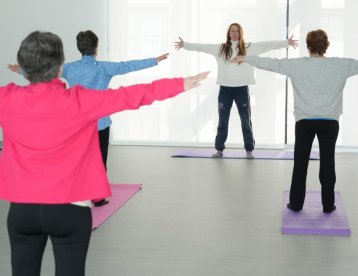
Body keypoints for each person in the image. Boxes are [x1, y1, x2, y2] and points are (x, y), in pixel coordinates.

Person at [0, 31, 208, 276]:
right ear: (59, 68)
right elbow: (130, 96)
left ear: (25, 66)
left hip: (23, 211)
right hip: (71, 209)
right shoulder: (80, 101)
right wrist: (179, 84)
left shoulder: (6, 98)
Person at [232, 29, 358, 212]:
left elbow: (272, 64)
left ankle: (295, 204)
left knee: (300, 164)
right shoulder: (340, 65)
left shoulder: (298, 65)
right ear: (326, 46)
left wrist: (246, 58)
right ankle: (328, 205)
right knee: (328, 163)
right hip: (329, 122)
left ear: (308, 47)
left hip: (305, 122)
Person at [8, 30, 169, 207]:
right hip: (100, 122)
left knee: (77, 159)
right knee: (99, 160)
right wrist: (155, 60)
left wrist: (21, 70)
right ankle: (97, 196)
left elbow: (44, 73)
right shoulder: (104, 67)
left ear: (80, 48)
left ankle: (74, 192)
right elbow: (127, 66)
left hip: (77, 124)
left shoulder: (70, 68)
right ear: (96, 48)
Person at [175, 23, 298, 159]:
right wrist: (185, 45)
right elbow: (202, 47)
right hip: (225, 89)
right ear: (229, 33)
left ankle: (249, 150)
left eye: (237, 31)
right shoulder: (220, 48)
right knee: (223, 120)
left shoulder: (248, 47)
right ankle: (219, 149)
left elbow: (267, 45)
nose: (234, 33)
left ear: (241, 33)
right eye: (232, 31)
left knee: (246, 121)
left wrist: (287, 42)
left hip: (242, 89)